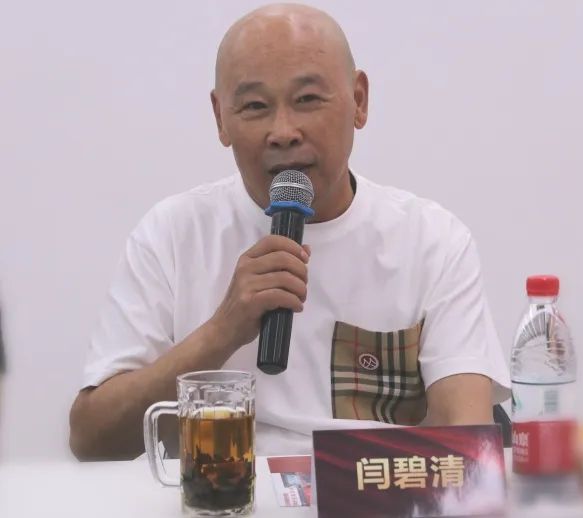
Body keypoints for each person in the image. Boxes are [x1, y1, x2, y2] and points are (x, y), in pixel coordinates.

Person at [69, 3, 511, 461]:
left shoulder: (432, 241)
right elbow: (91, 441)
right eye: (255, 106)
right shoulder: (173, 234)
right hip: (223, 490)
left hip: (365, 492)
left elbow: (468, 441)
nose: (283, 132)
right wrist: (222, 330)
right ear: (220, 117)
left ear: (359, 101)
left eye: (307, 99)